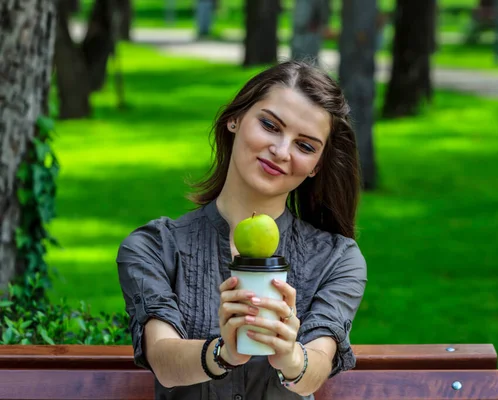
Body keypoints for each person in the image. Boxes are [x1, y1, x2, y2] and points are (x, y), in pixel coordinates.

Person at [116, 60, 368, 399]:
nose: (281, 151)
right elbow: (163, 358)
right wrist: (223, 353)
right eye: (269, 125)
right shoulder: (154, 247)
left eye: (305, 146)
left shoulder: (338, 259)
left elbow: (317, 367)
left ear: (316, 166)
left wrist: (292, 358)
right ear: (234, 119)